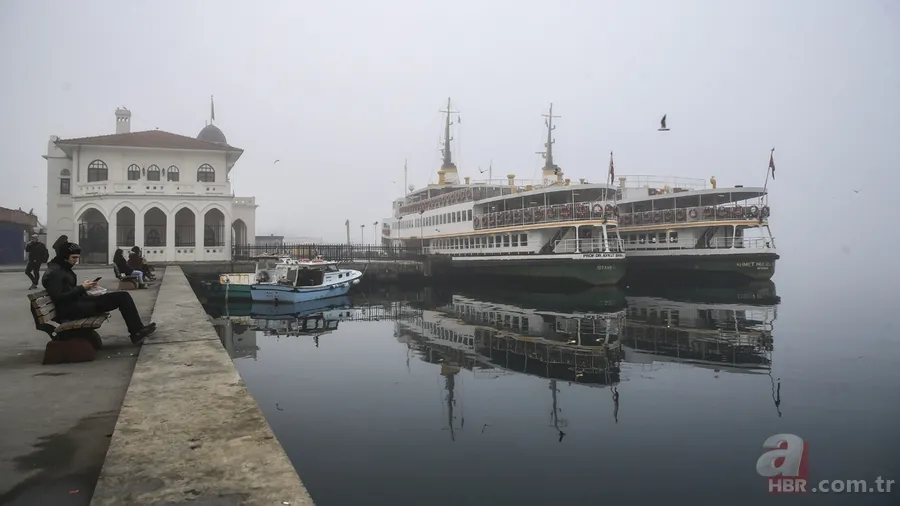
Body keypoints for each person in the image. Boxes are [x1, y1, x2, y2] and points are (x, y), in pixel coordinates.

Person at [43, 242, 156, 345]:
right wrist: (82, 288)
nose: (76, 261)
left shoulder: (62, 269)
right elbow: (59, 297)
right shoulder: (56, 273)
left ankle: (137, 330)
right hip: (72, 310)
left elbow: (67, 291)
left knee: (122, 296)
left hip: (77, 305)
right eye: (73, 257)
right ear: (64, 256)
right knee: (122, 297)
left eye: (77, 258)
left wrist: (87, 288)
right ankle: (136, 331)